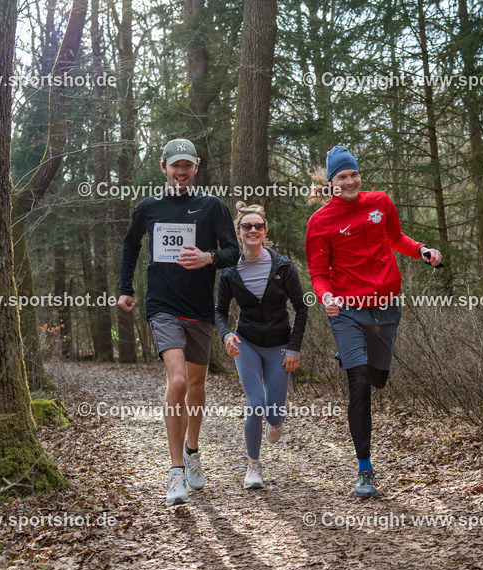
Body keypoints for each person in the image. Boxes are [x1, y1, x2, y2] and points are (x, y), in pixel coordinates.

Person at [305, 146, 443, 498]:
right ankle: (364, 467)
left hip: (385, 307)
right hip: (348, 311)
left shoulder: (380, 202)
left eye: (353, 174)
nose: (349, 181)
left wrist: (422, 250)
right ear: (331, 183)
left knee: (379, 378)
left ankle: (357, 358)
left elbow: (396, 238)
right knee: (361, 381)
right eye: (341, 177)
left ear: (358, 176)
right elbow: (319, 274)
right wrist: (327, 297)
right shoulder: (320, 222)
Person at [118, 138, 239, 506]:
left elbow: (232, 253)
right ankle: (174, 473)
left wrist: (209, 257)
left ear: (196, 167)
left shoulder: (211, 207)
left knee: (197, 385)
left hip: (199, 308)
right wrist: (125, 288)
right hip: (163, 305)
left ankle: (192, 450)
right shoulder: (148, 207)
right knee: (179, 380)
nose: (181, 171)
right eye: (175, 165)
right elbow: (130, 245)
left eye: (187, 165)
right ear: (164, 167)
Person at [215, 203, 308, 489]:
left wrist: (294, 347)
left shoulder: (282, 265)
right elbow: (219, 311)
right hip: (247, 343)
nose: (252, 230)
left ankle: (276, 422)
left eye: (258, 226)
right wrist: (226, 335)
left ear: (265, 232)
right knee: (255, 404)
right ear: (239, 232)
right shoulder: (229, 270)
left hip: (280, 344)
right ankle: (253, 467)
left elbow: (301, 308)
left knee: (274, 412)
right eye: (246, 226)